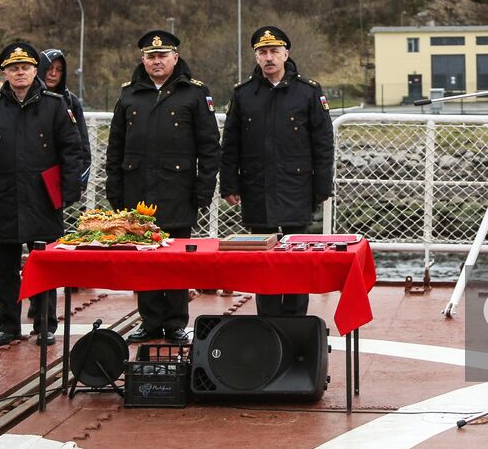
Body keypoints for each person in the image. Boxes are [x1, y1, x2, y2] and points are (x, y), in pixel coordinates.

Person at [0, 42, 86, 347]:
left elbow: (72, 150)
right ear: (5, 73)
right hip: (5, 196)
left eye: (25, 67)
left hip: (42, 196)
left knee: (44, 262)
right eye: (13, 68)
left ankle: (45, 323)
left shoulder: (55, 105)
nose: (20, 73)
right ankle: (9, 324)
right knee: (6, 266)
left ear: (36, 71)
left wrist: (69, 189)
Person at [105, 30, 219, 343]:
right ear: (143, 60)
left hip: (178, 190)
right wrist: (114, 189)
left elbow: (209, 146)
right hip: (137, 190)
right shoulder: (129, 94)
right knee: (144, 259)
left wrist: (203, 190)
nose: (157, 61)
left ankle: (177, 322)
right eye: (151, 56)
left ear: (175, 58)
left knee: (177, 258)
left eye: (162, 56)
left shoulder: (194, 93)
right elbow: (115, 146)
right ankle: (151, 320)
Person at [220, 26, 333, 316]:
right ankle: (267, 320)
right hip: (257, 186)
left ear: (286, 54)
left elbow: (322, 142)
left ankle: (295, 319)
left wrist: (322, 186)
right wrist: (229, 184)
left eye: (273, 51)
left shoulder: (307, 92)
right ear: (256, 57)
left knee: (297, 258)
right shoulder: (244, 94)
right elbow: (231, 143)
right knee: (263, 259)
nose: (268, 57)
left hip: (296, 186)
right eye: (262, 52)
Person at [38, 49, 91, 183]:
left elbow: (82, 144)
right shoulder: (29, 100)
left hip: (60, 178)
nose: (53, 73)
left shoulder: (71, 101)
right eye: (49, 68)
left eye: (59, 69)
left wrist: (80, 181)